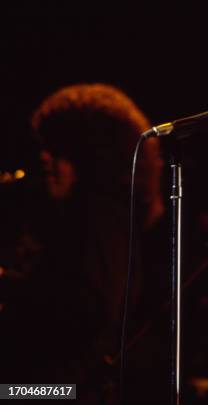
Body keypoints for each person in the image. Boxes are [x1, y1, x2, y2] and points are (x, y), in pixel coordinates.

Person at [2, 83, 165, 404]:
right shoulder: (84, 217)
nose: (44, 159)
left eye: (57, 149)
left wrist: (12, 288)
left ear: (90, 153)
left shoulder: (100, 219)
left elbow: (86, 312)